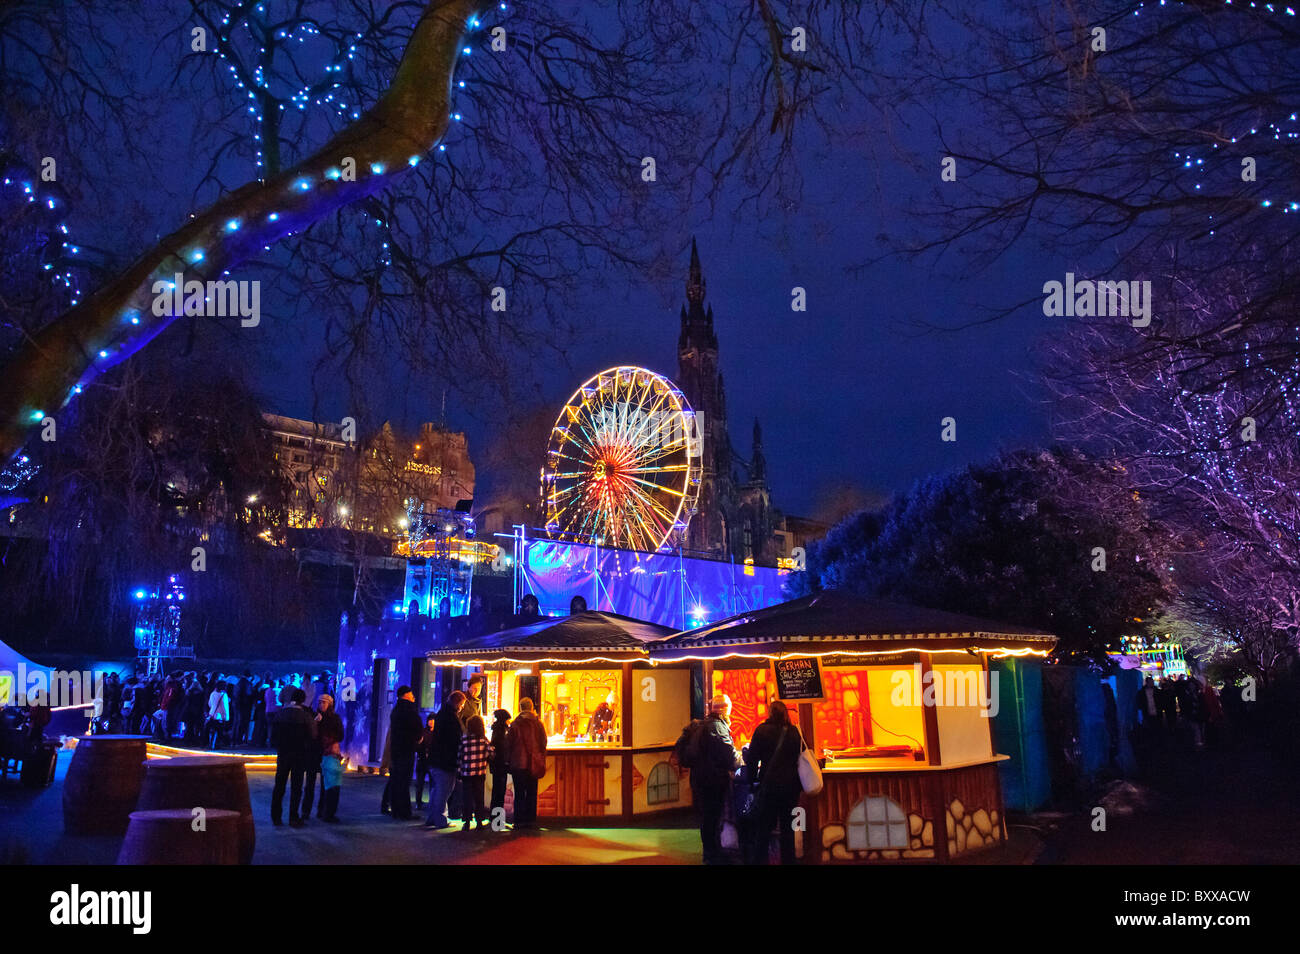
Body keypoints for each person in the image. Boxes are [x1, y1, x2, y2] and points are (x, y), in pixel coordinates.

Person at [743, 700, 804, 865]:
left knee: (763, 829)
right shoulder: (793, 732)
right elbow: (803, 756)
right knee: (788, 829)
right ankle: (789, 861)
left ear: (770, 713)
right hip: (791, 788)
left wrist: (751, 782)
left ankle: (760, 861)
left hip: (769, 787)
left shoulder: (761, 731)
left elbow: (752, 759)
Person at [691, 694, 741, 864]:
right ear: (725, 710)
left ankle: (709, 852)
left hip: (700, 778)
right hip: (712, 780)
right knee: (712, 816)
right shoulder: (718, 727)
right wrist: (742, 760)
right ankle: (713, 854)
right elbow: (729, 755)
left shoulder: (704, 724)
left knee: (707, 817)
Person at [270, 688, 317, 827]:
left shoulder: (280, 714)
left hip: (283, 754)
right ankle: (293, 817)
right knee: (296, 787)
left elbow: (273, 736)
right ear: (303, 700)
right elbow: (313, 735)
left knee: (279, 785)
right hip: (299, 754)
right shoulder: (305, 717)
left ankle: (276, 816)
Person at [424, 691, 465, 829]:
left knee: (436, 790)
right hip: (445, 761)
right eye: (462, 704)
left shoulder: (441, 714)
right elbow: (456, 738)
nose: (463, 707)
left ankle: (432, 817)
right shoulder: (452, 718)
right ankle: (440, 819)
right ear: (458, 703)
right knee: (444, 790)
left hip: (436, 759)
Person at [505, 697, 548, 829]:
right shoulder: (538, 723)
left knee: (519, 793)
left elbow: (509, 744)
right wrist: (540, 755)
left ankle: (519, 821)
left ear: (520, 708)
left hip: (518, 764)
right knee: (532, 792)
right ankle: (531, 820)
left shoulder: (515, 724)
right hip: (533, 763)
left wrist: (509, 760)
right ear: (531, 708)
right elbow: (544, 742)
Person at [388, 685, 424, 820]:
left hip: (397, 749)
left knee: (397, 780)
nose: (413, 696)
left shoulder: (396, 710)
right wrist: (418, 739)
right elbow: (416, 727)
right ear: (405, 695)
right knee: (404, 781)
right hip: (406, 749)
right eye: (411, 693)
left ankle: (396, 810)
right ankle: (404, 812)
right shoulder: (409, 710)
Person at [310, 694, 345, 822]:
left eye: (324, 702)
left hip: (330, 753)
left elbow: (340, 735)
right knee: (328, 783)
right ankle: (325, 811)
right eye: (319, 702)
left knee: (331, 783)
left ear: (329, 704)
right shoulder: (316, 718)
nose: (321, 705)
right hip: (322, 754)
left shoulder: (334, 718)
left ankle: (326, 811)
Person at [457, 715, 493, 830]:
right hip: (479, 773)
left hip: (466, 773)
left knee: (467, 797)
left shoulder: (464, 739)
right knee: (479, 798)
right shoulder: (484, 740)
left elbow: (459, 757)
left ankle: (467, 821)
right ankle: (479, 822)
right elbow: (491, 754)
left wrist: (459, 770)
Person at [488, 709, 511, 814]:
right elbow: (503, 747)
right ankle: (497, 820)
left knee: (497, 791)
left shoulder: (496, 729)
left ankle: (495, 818)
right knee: (499, 792)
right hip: (501, 765)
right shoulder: (502, 730)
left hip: (497, 765)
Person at [415, 714, 437, 810]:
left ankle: (432, 802)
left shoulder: (437, 733)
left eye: (433, 720)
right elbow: (417, 746)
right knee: (420, 783)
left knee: (433, 783)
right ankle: (418, 802)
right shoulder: (423, 732)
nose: (431, 722)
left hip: (432, 761)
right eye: (430, 720)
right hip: (422, 760)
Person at [205, 681, 231, 749]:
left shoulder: (212, 693)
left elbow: (209, 704)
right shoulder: (223, 695)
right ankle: (215, 744)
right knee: (219, 731)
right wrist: (226, 717)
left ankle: (211, 744)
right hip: (220, 716)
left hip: (212, 714)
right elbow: (224, 707)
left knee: (212, 730)